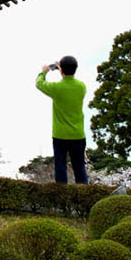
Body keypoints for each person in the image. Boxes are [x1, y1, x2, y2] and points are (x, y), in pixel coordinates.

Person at [36, 56, 88, 184]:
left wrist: (44, 72)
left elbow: (39, 83)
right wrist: (63, 70)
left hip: (60, 135)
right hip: (78, 134)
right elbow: (69, 84)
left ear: (61, 70)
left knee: (60, 167)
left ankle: (61, 198)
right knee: (79, 167)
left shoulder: (56, 88)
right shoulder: (82, 87)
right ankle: (84, 196)